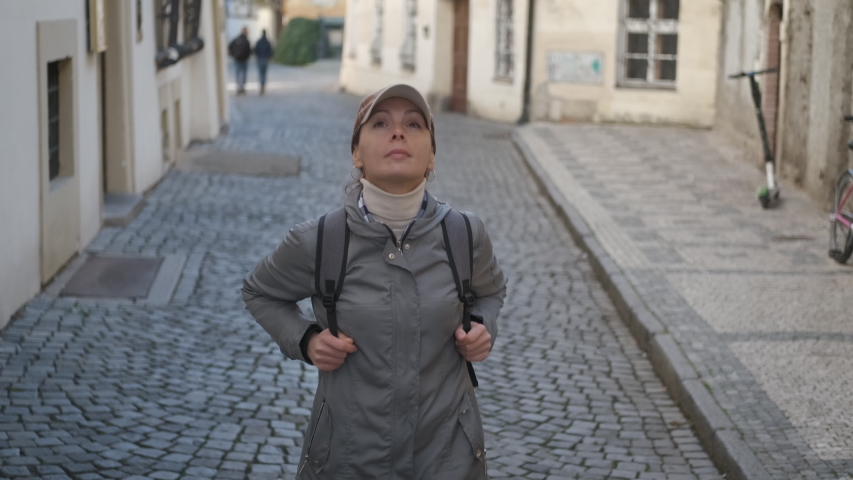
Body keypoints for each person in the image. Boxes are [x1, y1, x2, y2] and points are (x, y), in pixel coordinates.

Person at [242, 84, 507, 479]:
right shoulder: (319, 240)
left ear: (431, 154)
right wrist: (306, 339)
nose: (398, 132)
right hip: (348, 459)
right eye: (380, 123)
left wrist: (483, 326)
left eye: (414, 124)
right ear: (356, 153)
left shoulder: (465, 235)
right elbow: (259, 292)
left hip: (447, 458)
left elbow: (490, 291)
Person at [228, 27, 251, 94]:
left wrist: (233, 55)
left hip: (237, 59)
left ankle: (239, 86)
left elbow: (230, 46)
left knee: (238, 73)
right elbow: (249, 50)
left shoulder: (236, 39)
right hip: (244, 60)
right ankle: (242, 87)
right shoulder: (246, 40)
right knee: (243, 74)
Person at [254, 29, 273, 95]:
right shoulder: (267, 42)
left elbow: (255, 50)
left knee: (261, 73)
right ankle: (263, 85)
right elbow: (271, 51)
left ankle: (261, 85)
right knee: (264, 73)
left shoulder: (259, 41)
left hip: (260, 59)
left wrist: (258, 56)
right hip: (265, 59)